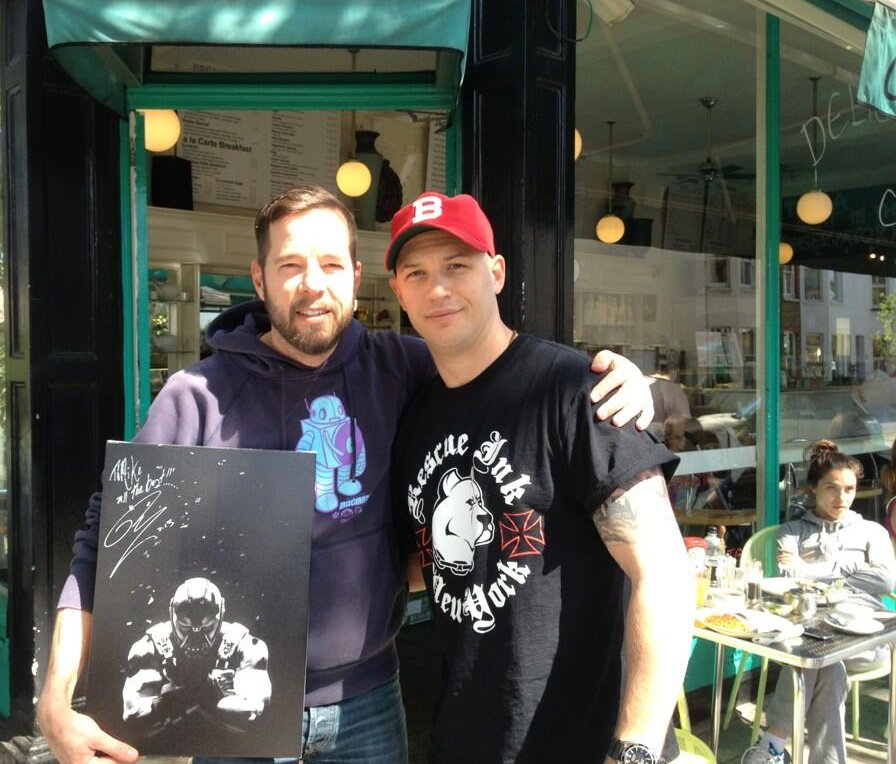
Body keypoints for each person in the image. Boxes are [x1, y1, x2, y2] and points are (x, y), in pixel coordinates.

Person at [36, 185, 656, 764]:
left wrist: (613, 380)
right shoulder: (195, 397)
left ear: (357, 279)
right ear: (260, 278)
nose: (313, 284)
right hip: (235, 707)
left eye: (331, 264)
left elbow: (496, 364)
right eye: (290, 265)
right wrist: (57, 694)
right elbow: (108, 544)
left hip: (369, 703)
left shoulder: (404, 367)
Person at [387, 191, 694, 763]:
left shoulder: (578, 390)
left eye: (457, 265)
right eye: (417, 273)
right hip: (463, 741)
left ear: (497, 273)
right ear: (398, 291)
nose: (438, 289)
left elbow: (664, 573)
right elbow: (419, 567)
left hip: (585, 745)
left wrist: (635, 750)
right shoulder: (415, 418)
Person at [741, 439, 896, 764]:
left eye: (849, 489)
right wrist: (854, 569)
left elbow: (886, 579)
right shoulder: (792, 531)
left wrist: (816, 570)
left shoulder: (872, 532)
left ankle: (771, 744)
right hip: (811, 631)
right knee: (827, 667)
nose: (842, 498)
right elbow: (792, 577)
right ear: (814, 488)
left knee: (812, 659)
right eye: (832, 488)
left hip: (865, 639)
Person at [122, 577, 270, 733]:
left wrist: (172, 699)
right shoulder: (148, 647)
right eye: (185, 628)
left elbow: (255, 713)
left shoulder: (246, 646)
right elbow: (133, 716)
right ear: (172, 615)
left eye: (207, 628)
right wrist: (213, 696)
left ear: (221, 615)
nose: (195, 638)